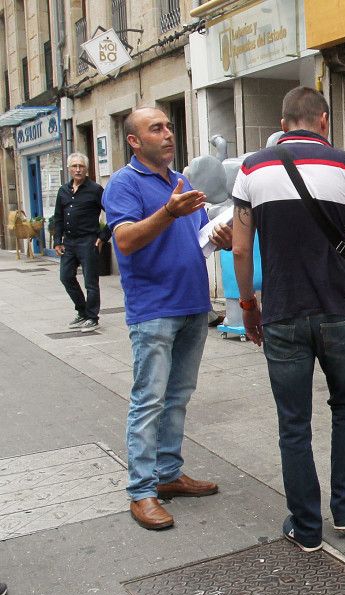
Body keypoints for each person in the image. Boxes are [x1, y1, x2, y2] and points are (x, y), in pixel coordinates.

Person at [231, 86, 345, 552]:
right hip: (337, 307)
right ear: (323, 122)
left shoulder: (252, 167)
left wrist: (248, 307)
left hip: (281, 310)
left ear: (283, 123)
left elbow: (239, 246)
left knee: (293, 422)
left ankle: (306, 526)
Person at [103, 106, 232, 531]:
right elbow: (124, 240)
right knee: (148, 400)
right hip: (154, 310)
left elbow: (196, 238)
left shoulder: (181, 181)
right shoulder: (123, 183)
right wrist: (169, 213)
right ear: (135, 141)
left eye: (169, 126)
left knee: (177, 396)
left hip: (193, 305)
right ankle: (142, 490)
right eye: (155, 128)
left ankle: (168, 473)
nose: (167, 133)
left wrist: (220, 237)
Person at [51, 153, 110, 332]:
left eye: (81, 166)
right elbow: (58, 217)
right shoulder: (63, 190)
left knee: (91, 282)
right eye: (74, 166)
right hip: (69, 242)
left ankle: (92, 317)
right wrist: (57, 240)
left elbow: (114, 212)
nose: (78, 169)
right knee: (66, 277)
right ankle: (82, 311)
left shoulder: (95, 189)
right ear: (69, 168)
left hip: (88, 241)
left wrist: (103, 236)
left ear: (86, 169)